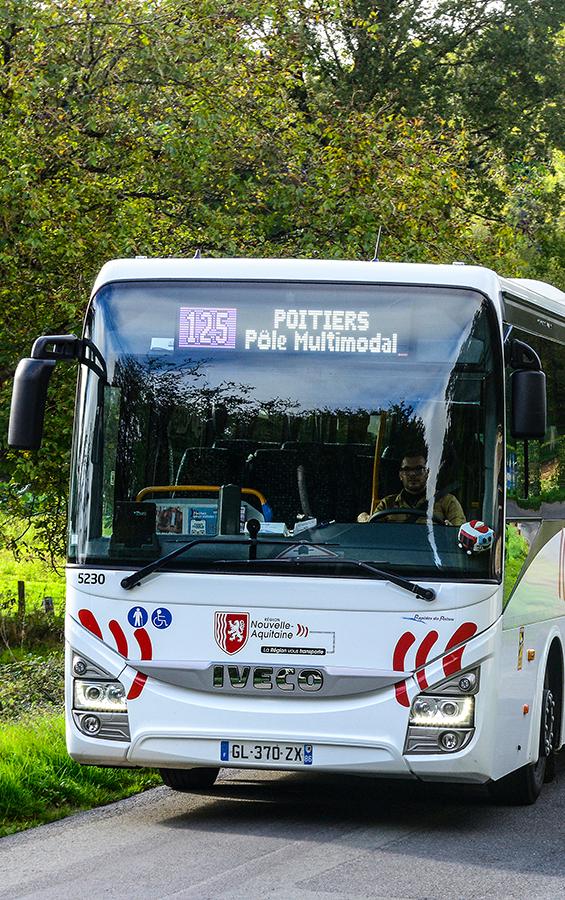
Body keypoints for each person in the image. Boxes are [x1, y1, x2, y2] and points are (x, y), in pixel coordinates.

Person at [358, 452, 465, 526]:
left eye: (418, 469)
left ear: (427, 473)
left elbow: (460, 534)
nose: (412, 474)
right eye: (407, 470)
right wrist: (365, 521)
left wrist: (450, 531)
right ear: (400, 475)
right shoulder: (387, 503)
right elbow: (373, 534)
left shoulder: (448, 501)